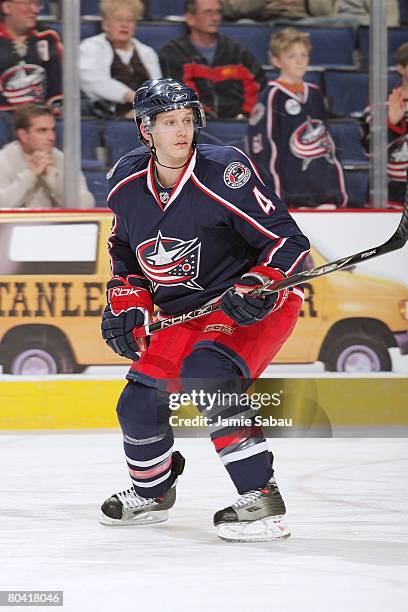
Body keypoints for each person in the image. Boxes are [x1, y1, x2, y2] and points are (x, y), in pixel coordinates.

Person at [99, 77, 310, 542]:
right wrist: (128, 298)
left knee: (207, 371)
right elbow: (124, 251)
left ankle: (260, 498)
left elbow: (288, 241)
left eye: (188, 120)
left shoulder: (224, 171)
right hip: (190, 310)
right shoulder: (126, 181)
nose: (182, 131)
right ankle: (152, 492)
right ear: (145, 130)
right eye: (169, 122)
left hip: (256, 301)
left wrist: (261, 281)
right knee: (136, 402)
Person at [247, 28, 348, 208]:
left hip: (324, 194)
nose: (300, 61)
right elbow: (263, 149)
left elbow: (327, 144)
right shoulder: (272, 95)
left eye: (303, 55)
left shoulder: (315, 93)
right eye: (292, 56)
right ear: (276, 60)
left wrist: (338, 192)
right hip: (291, 196)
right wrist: (276, 197)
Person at [159, 0, 266, 119]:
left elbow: (258, 87)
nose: (215, 18)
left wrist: (244, 115)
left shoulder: (237, 52)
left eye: (218, 12)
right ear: (190, 18)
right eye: (208, 12)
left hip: (239, 124)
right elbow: (181, 96)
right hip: (194, 126)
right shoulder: (174, 52)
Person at [0, 104, 95, 208]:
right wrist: (30, 175)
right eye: (42, 130)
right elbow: (2, 204)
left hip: (58, 223)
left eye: (53, 130)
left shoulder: (63, 160)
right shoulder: (4, 160)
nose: (52, 137)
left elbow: (86, 205)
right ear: (23, 135)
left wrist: (50, 174)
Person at [79, 0, 161, 119]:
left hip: (147, 117)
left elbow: (157, 90)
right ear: (105, 24)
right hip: (105, 117)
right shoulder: (90, 47)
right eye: (118, 20)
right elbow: (94, 82)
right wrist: (132, 97)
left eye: (130, 20)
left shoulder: (148, 52)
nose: (125, 25)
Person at [0, 0, 63, 111]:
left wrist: (53, 106)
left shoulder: (48, 36)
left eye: (37, 4)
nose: (35, 10)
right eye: (27, 4)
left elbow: (57, 85)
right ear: (6, 7)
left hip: (41, 115)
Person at [386, 42, 408, 204]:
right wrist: (391, 123)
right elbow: (368, 149)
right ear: (401, 68)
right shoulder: (384, 102)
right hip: (394, 194)